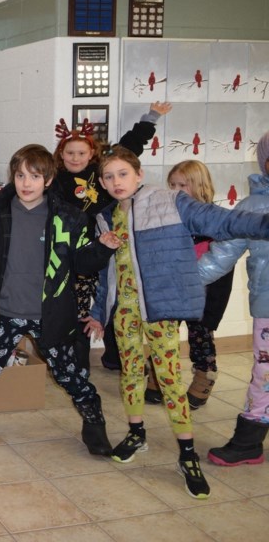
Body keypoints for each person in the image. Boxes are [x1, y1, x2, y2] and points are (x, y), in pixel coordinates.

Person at [87, 145, 269, 499]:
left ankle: (187, 453)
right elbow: (105, 273)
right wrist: (98, 313)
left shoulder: (169, 202)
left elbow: (222, 221)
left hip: (160, 310)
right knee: (131, 374)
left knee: (169, 380)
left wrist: (263, 223)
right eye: (108, 177)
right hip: (125, 312)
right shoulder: (106, 216)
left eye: (123, 174)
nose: (115, 182)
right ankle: (136, 433)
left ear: (139, 174)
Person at [0, 144, 116, 457]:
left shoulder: (70, 219)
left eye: (35, 176)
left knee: (71, 376)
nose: (26, 183)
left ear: (49, 180)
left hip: (50, 314)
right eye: (21, 175)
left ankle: (94, 425)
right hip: (5, 313)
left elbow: (82, 265)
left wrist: (103, 248)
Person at [52, 101, 171, 372]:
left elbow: (129, 147)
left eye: (81, 152)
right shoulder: (55, 181)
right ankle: (78, 365)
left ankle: (116, 357)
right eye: (69, 152)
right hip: (77, 256)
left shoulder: (103, 172)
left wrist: (151, 117)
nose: (75, 157)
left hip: (109, 248)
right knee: (79, 312)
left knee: (117, 303)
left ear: (91, 152)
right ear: (61, 155)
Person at [198, 131, 269, 466]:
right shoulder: (254, 206)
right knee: (266, 375)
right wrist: (180, 283)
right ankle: (249, 441)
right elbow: (220, 255)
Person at [144, 160, 232, 409]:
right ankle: (158, 374)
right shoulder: (167, 216)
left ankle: (205, 374)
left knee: (201, 336)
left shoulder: (214, 219)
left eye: (183, 184)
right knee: (163, 334)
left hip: (202, 294)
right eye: (172, 184)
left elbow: (222, 265)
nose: (175, 189)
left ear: (200, 186)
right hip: (171, 290)